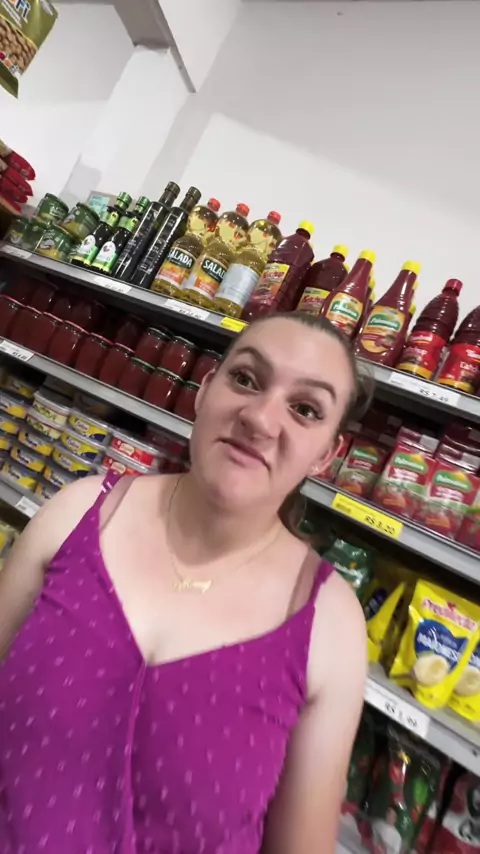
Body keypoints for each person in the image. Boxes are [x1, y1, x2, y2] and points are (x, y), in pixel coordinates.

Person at [0, 312, 370, 854]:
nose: (260, 419)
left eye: (306, 409)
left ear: (326, 455)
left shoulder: (331, 625)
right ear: (205, 390)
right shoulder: (76, 511)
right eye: (245, 379)